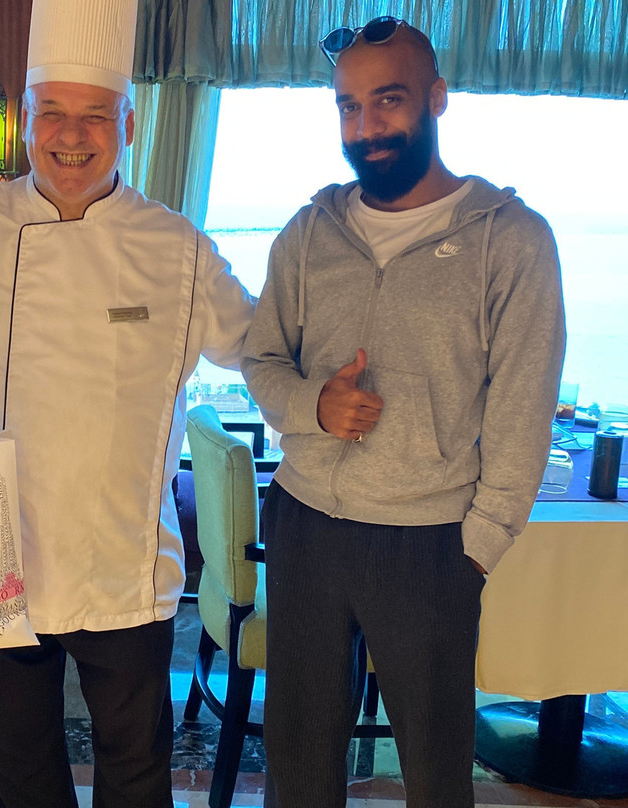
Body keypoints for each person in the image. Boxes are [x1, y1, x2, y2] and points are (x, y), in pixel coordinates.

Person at [0, 1, 255, 804]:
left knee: (137, 777)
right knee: (21, 777)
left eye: (95, 115)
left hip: (122, 567)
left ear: (130, 124)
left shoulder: (177, 249)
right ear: (24, 120)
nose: (71, 135)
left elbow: (259, 347)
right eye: (52, 112)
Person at [241, 17, 566, 808]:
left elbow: (523, 410)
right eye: (348, 106)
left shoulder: (511, 241)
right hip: (307, 524)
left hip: (430, 543)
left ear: (436, 98)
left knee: (435, 771)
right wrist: (314, 405)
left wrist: (478, 549)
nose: (367, 126)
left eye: (388, 100)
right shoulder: (309, 233)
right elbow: (261, 359)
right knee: (298, 759)